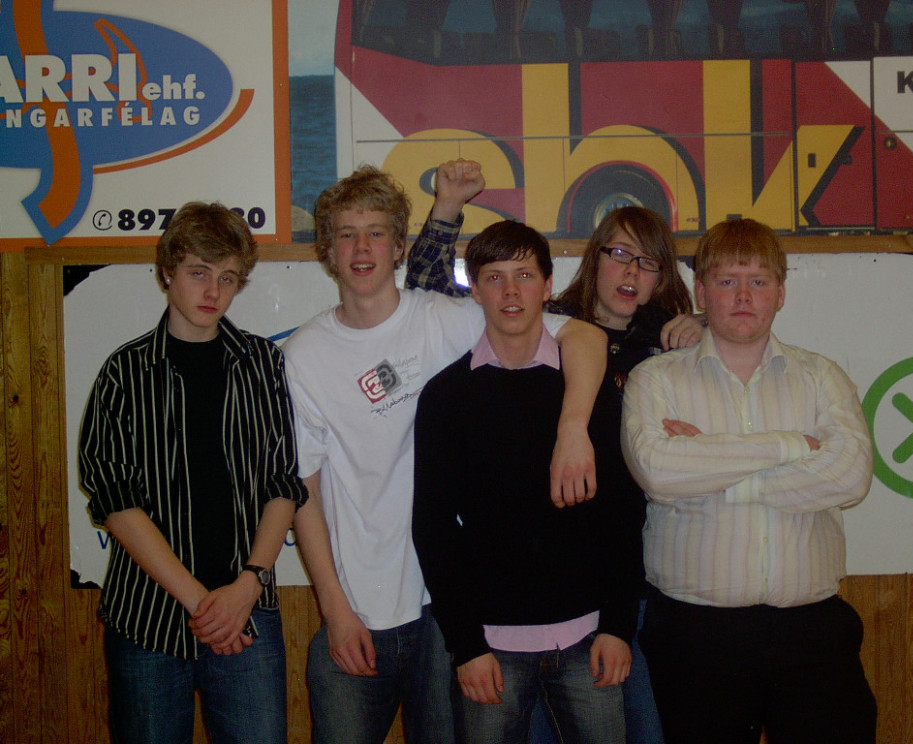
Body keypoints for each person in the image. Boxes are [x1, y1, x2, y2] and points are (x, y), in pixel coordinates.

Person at [282, 162, 607, 744]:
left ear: (399, 247)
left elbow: (582, 335)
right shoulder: (304, 353)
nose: (362, 248)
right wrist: (333, 607)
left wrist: (575, 426)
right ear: (328, 250)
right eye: (347, 234)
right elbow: (302, 490)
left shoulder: (448, 318)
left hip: (444, 609)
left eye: (377, 232)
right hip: (356, 607)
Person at [409, 199, 703, 744]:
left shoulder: (589, 388)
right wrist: (466, 645)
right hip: (490, 647)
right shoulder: (445, 397)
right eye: (494, 278)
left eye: (525, 276)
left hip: (588, 639)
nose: (511, 291)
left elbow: (621, 513)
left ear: (548, 286)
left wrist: (616, 627)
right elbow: (433, 528)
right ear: (476, 291)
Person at [621, 218, 877, 744]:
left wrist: (712, 471)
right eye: (727, 281)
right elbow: (658, 471)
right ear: (701, 292)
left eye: (758, 281)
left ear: (780, 294)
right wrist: (791, 446)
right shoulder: (656, 379)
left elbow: (851, 476)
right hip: (695, 639)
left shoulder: (822, 377)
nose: (743, 296)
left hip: (812, 636)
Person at [78, 202, 308, 744]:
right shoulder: (124, 373)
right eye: (199, 272)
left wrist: (246, 586)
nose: (213, 292)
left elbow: (283, 483)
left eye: (227, 278)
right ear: (167, 271)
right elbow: (115, 502)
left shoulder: (263, 364)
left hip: (247, 611)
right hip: (148, 620)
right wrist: (204, 604)